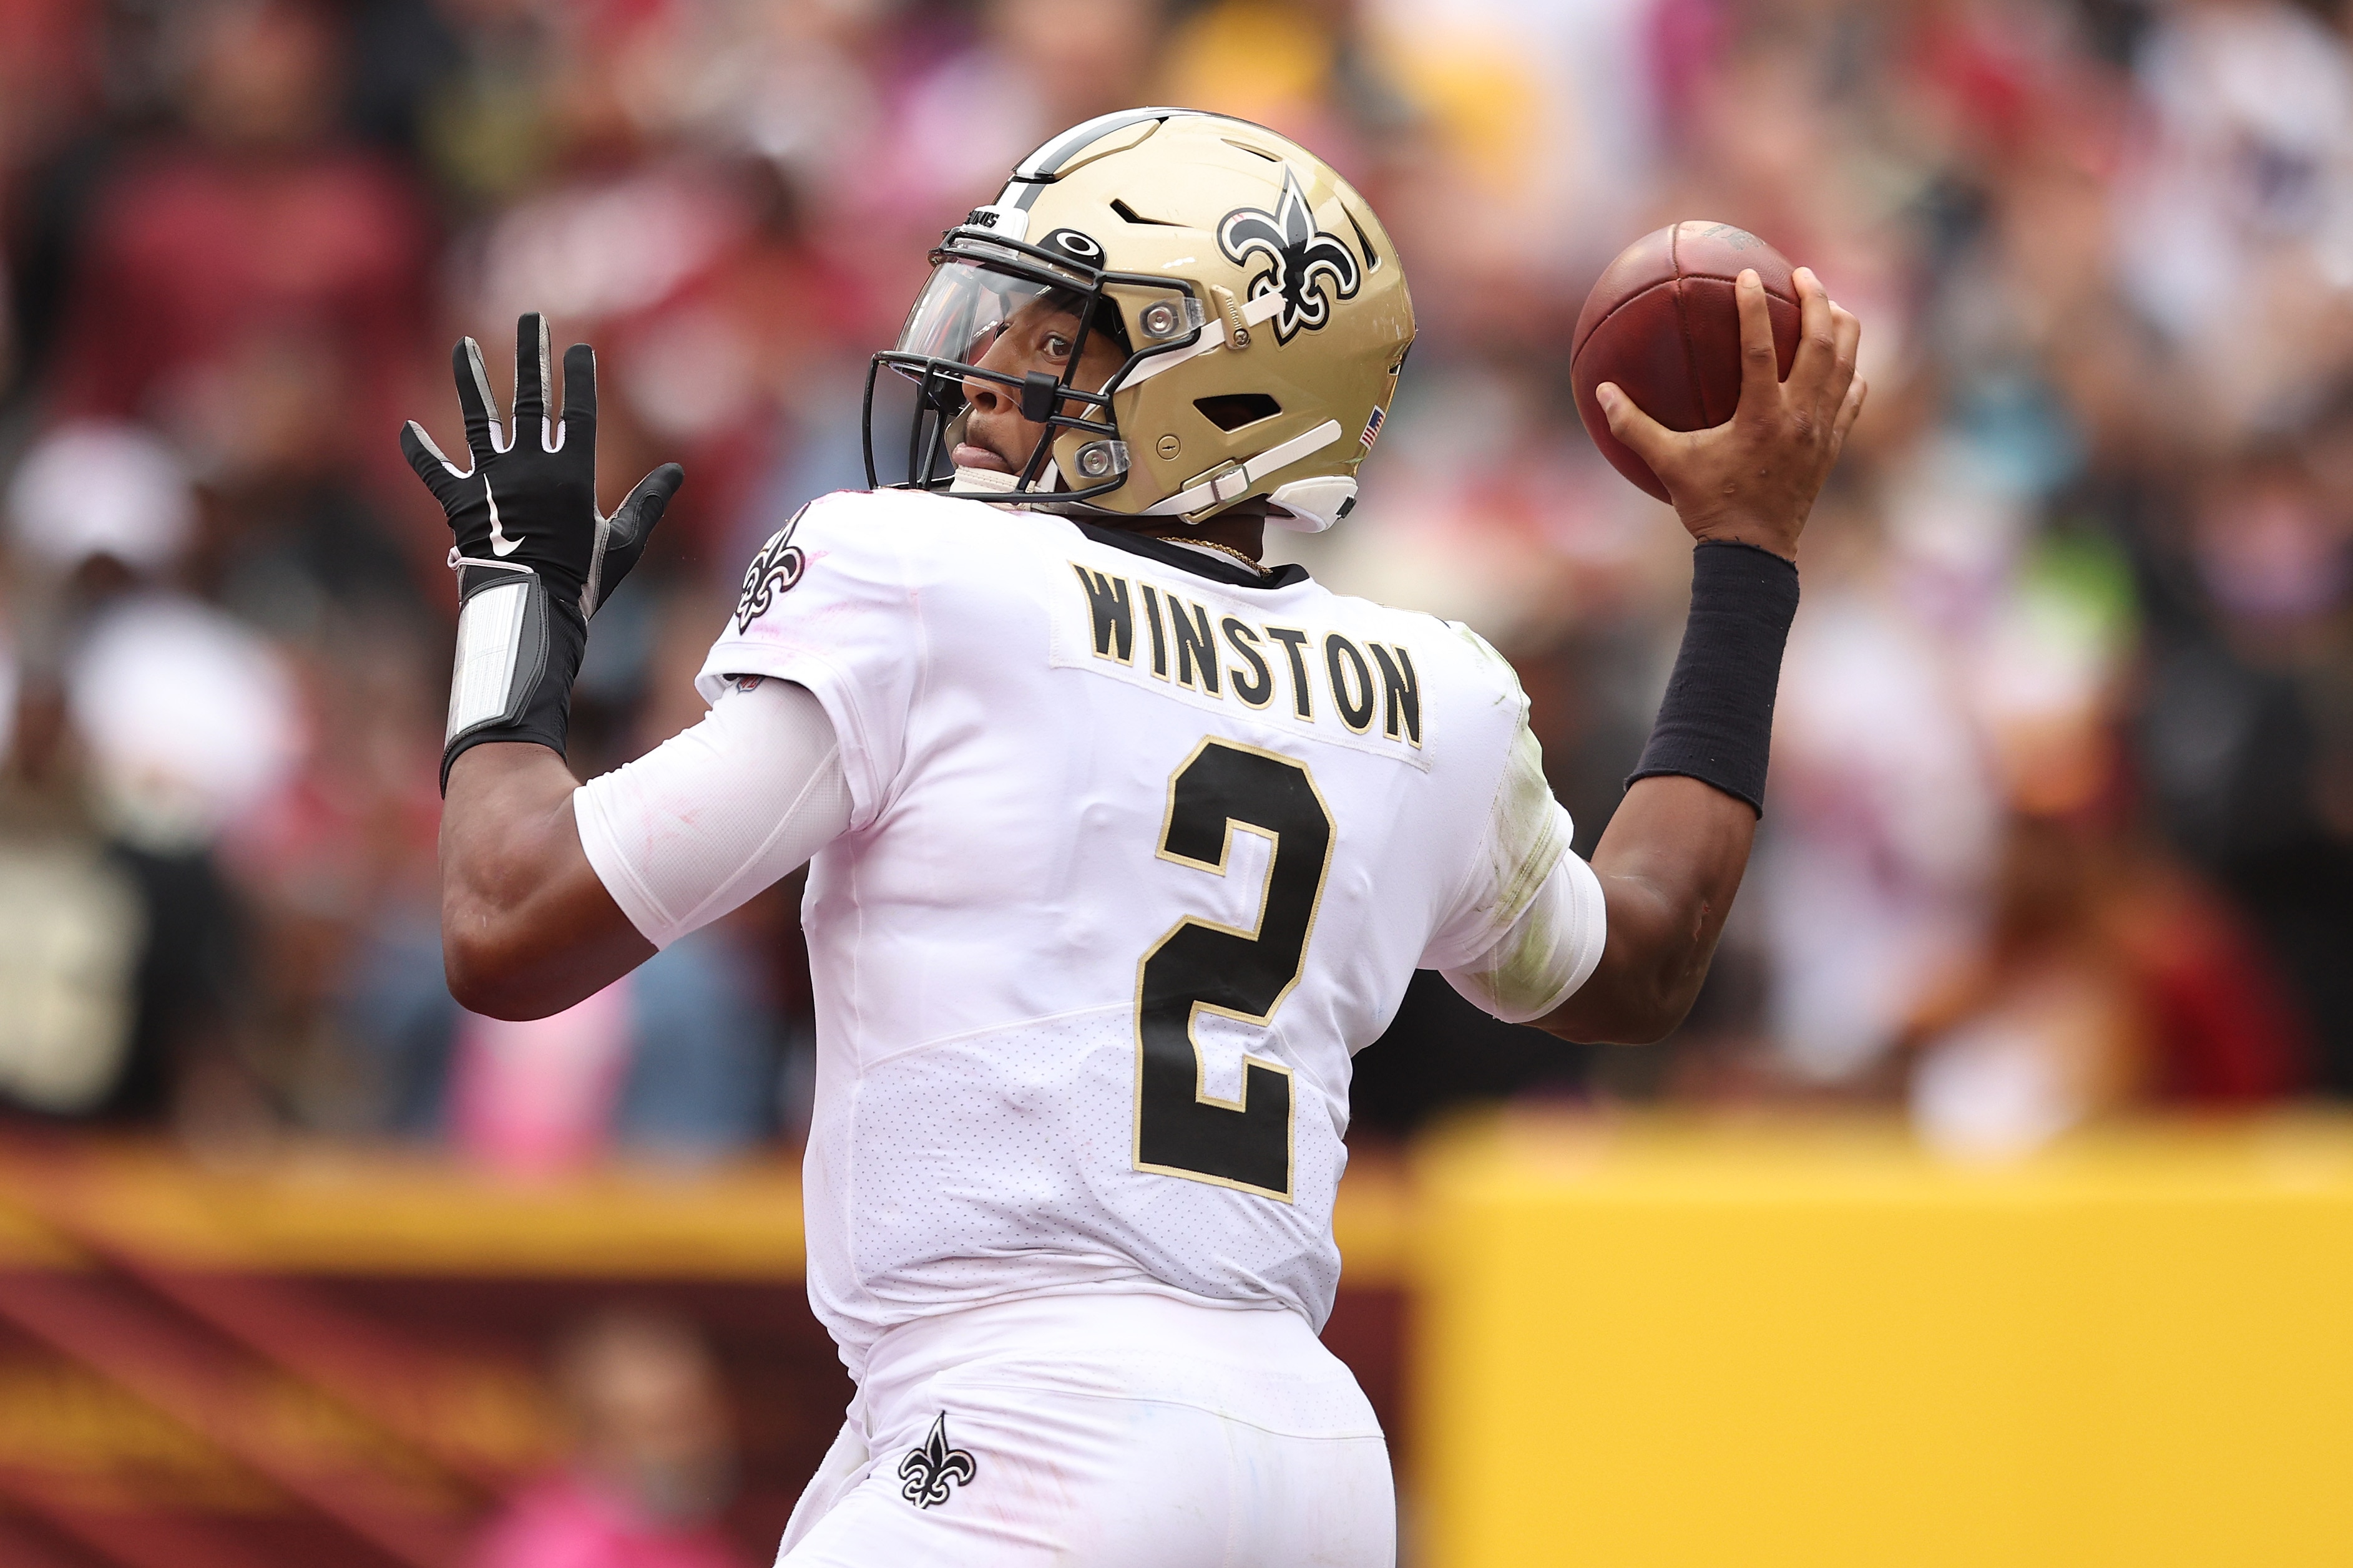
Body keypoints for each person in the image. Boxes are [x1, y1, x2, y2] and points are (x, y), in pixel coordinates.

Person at [403, 109, 1862, 1566]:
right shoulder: (1436, 694)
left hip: (1018, 1428)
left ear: (1222, 381)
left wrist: (511, 613)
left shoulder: (927, 578)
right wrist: (1747, 556)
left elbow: (508, 922)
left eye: (1060, 338)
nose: (987, 373)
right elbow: (1646, 954)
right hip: (1310, 1460)